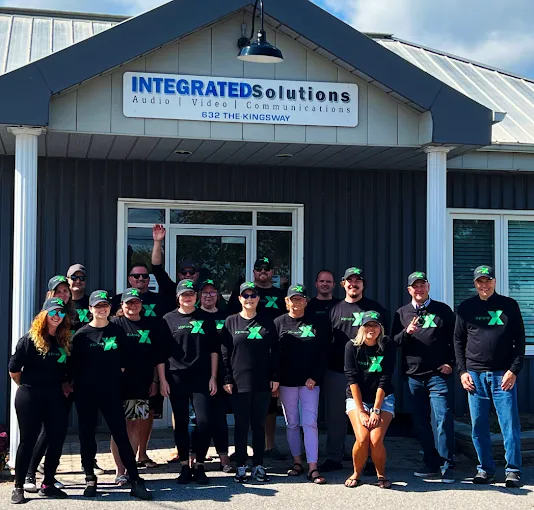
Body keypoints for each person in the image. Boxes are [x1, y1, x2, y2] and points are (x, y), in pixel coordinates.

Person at [70, 290, 151, 500]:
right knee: (87, 436)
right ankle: (90, 478)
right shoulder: (81, 335)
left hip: (112, 392)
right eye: (97, 306)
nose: (102, 309)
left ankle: (134, 479)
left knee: (120, 435)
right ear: (90, 309)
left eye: (104, 305)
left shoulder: (117, 331)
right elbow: (73, 366)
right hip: (86, 393)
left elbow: (126, 360)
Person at [454, 265, 525, 488]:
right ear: (475, 284)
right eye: (480, 281)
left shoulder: (509, 306)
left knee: (509, 426)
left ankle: (513, 470)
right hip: (475, 376)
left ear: (495, 281)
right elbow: (458, 341)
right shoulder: (465, 308)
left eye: (488, 280)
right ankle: (485, 469)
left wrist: (513, 370)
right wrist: (463, 372)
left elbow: (520, 341)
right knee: (478, 426)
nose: (484, 285)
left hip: (502, 376)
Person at [320, 266, 388, 473]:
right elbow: (325, 341)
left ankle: (367, 460)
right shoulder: (334, 309)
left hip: (367, 375)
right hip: (337, 371)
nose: (353, 284)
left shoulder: (374, 308)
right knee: (335, 417)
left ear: (362, 284)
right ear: (343, 284)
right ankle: (334, 457)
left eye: (357, 280)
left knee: (366, 417)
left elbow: (384, 341)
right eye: (349, 280)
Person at [391, 271, 456, 483]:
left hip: (438, 374)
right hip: (413, 376)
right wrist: (407, 332)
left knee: (443, 417)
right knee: (420, 422)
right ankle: (431, 463)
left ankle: (448, 464)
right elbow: (393, 343)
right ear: (409, 290)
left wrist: (451, 363)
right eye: (415, 286)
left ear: (428, 286)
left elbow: (457, 339)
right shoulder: (402, 313)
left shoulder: (442, 310)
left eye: (422, 285)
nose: (419, 289)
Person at [9, 298, 72, 504]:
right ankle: (19, 486)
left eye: (61, 313)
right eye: (53, 312)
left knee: (56, 438)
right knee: (28, 440)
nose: (57, 316)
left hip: (54, 395)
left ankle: (48, 484)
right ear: (43, 315)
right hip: (30, 394)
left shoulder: (63, 341)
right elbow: (14, 370)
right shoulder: (29, 340)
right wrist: (26, 387)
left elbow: (64, 370)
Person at [112, 263, 173, 468]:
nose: (133, 305)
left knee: (135, 424)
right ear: (122, 305)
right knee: (121, 426)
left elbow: (157, 355)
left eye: (136, 302)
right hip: (119, 384)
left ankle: (132, 466)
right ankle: (121, 470)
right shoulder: (114, 325)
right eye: (128, 303)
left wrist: (156, 379)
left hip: (142, 383)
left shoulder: (149, 324)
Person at [221, 282, 280, 483]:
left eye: (252, 295)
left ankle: (258, 465)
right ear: (239, 299)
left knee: (258, 425)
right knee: (240, 425)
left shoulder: (267, 322)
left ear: (258, 298)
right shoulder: (230, 321)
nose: (249, 299)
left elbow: (276, 352)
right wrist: (227, 378)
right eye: (245, 296)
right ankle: (240, 466)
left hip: (262, 382)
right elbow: (225, 353)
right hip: (238, 382)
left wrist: (275, 376)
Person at [161, 279, 219, 485]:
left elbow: (214, 350)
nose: (188, 297)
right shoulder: (168, 319)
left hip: (201, 376)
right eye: (184, 294)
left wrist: (213, 376)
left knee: (204, 421)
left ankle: (200, 465)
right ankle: (185, 465)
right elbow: (162, 353)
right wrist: (162, 380)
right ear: (178, 297)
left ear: (196, 296)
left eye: (191, 294)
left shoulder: (205, 318)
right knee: (182, 422)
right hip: (176, 376)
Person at [229, 257, 287, 460]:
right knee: (243, 417)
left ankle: (268, 448)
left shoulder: (279, 298)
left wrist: (275, 373)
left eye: (267, 268)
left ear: (272, 272)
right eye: (259, 269)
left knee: (266, 411)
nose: (263, 271)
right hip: (241, 368)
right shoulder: (235, 315)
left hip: (267, 363)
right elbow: (228, 343)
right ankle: (242, 452)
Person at [24, 276, 77, 492]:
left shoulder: (74, 314)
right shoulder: (46, 316)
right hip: (48, 385)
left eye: (66, 291)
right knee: (46, 432)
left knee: (59, 432)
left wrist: (70, 379)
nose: (63, 295)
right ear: (51, 295)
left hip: (70, 378)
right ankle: (29, 473)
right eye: (59, 291)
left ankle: (49, 476)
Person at [275, 284, 328, 484]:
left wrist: (315, 376)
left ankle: (313, 466)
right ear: (286, 301)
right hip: (287, 382)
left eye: (300, 299)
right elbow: (274, 355)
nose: (296, 302)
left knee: (310, 423)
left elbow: (324, 353)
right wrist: (276, 379)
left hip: (310, 383)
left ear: (306, 301)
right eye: (293, 299)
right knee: (292, 424)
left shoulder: (317, 323)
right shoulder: (278, 323)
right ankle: (297, 462)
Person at [344, 311, 396, 489]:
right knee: (362, 437)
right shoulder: (351, 347)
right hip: (357, 399)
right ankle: (357, 473)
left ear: (380, 328)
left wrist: (375, 409)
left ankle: (381, 474)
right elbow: (352, 379)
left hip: (383, 398)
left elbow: (385, 377)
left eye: (375, 325)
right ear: (362, 327)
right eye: (367, 325)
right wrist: (361, 411)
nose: (371, 329)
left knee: (375, 439)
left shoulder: (387, 345)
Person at [195, 279, 232, 472]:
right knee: (200, 419)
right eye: (205, 292)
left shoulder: (227, 317)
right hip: (199, 374)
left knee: (219, 417)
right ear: (199, 295)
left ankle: (224, 457)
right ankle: (195, 457)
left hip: (222, 373)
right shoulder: (194, 317)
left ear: (217, 295)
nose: (209, 295)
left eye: (212, 292)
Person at [151, 224, 201, 300]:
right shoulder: (171, 290)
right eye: (184, 272)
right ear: (179, 275)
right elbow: (157, 269)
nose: (188, 275)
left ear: (197, 275)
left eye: (192, 272)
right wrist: (157, 241)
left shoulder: (204, 293)